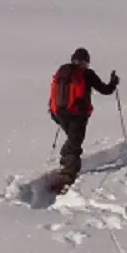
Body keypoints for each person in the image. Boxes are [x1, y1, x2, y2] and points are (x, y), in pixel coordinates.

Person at [48, 47, 119, 189]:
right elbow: (105, 90)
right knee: (75, 143)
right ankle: (68, 174)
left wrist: (53, 112)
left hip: (59, 113)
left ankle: (65, 158)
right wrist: (113, 82)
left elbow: (54, 92)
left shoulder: (62, 72)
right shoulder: (87, 74)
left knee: (72, 138)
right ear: (86, 61)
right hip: (77, 114)